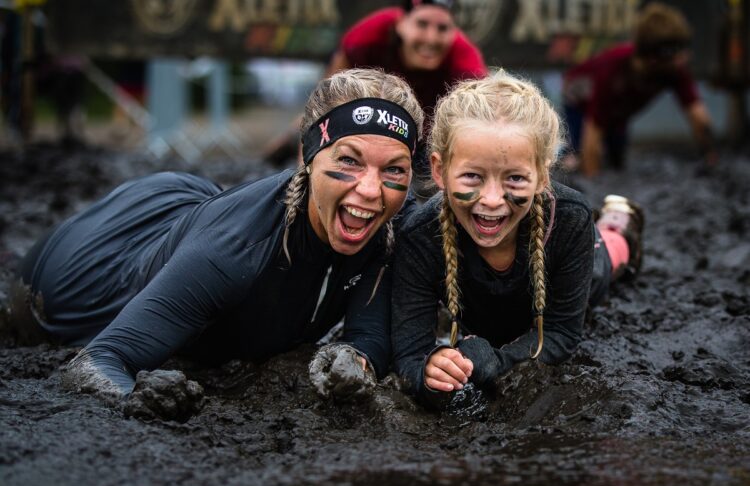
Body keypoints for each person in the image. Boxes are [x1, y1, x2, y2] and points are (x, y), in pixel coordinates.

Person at [8, 68, 424, 402]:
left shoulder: (388, 225)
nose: (372, 191)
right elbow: (98, 362)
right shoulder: (234, 250)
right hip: (73, 276)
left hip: (192, 211)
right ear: (307, 156)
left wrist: (357, 362)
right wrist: (143, 402)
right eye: (349, 161)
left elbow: (368, 333)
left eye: (394, 170)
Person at [390, 71, 644, 404]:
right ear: (439, 170)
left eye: (514, 179)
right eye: (471, 177)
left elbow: (561, 334)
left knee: (605, 265)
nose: (492, 199)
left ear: (542, 174)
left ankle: (619, 223)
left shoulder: (569, 219)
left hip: (569, 252)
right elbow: (410, 355)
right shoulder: (419, 237)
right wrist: (431, 370)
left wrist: (497, 362)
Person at [264, 0, 487, 189]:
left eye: (442, 29)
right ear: (401, 23)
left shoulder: (463, 57)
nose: (431, 38)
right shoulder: (369, 35)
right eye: (422, 24)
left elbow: (480, 118)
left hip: (423, 137)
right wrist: (305, 178)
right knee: (300, 137)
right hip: (361, 119)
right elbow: (324, 103)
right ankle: (287, 142)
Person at [562, 2, 716, 177]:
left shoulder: (674, 68)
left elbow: (698, 116)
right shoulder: (612, 72)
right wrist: (592, 183)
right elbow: (593, 135)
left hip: (618, 110)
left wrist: (710, 156)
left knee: (616, 160)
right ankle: (565, 156)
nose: (684, 59)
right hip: (579, 101)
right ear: (654, 59)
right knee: (579, 158)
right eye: (676, 53)